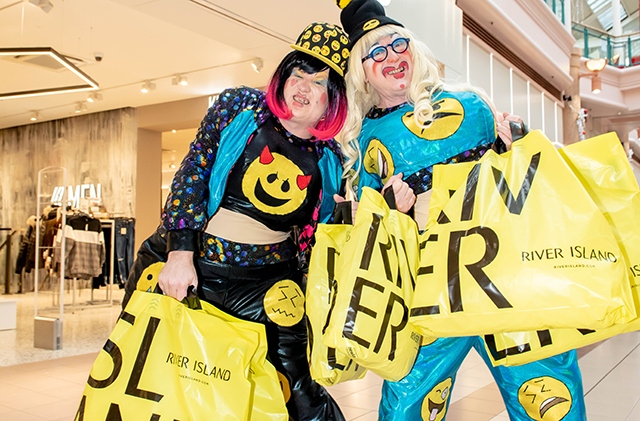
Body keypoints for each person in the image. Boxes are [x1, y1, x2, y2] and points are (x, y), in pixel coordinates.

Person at [335, 0, 587, 420]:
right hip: (428, 288)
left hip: (504, 276)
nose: (392, 56)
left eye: (398, 43)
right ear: (361, 70)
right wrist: (390, 211)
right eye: (376, 51)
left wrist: (514, 146)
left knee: (548, 394)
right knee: (407, 403)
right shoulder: (364, 140)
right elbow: (366, 228)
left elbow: (520, 184)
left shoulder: (472, 103)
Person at [123, 21, 353, 420]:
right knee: (155, 375)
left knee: (296, 390)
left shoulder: (331, 157)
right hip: (197, 266)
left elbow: (322, 234)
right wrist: (180, 253)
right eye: (297, 75)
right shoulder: (239, 108)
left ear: (331, 99)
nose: (303, 88)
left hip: (269, 284)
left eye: (318, 83)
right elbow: (193, 172)